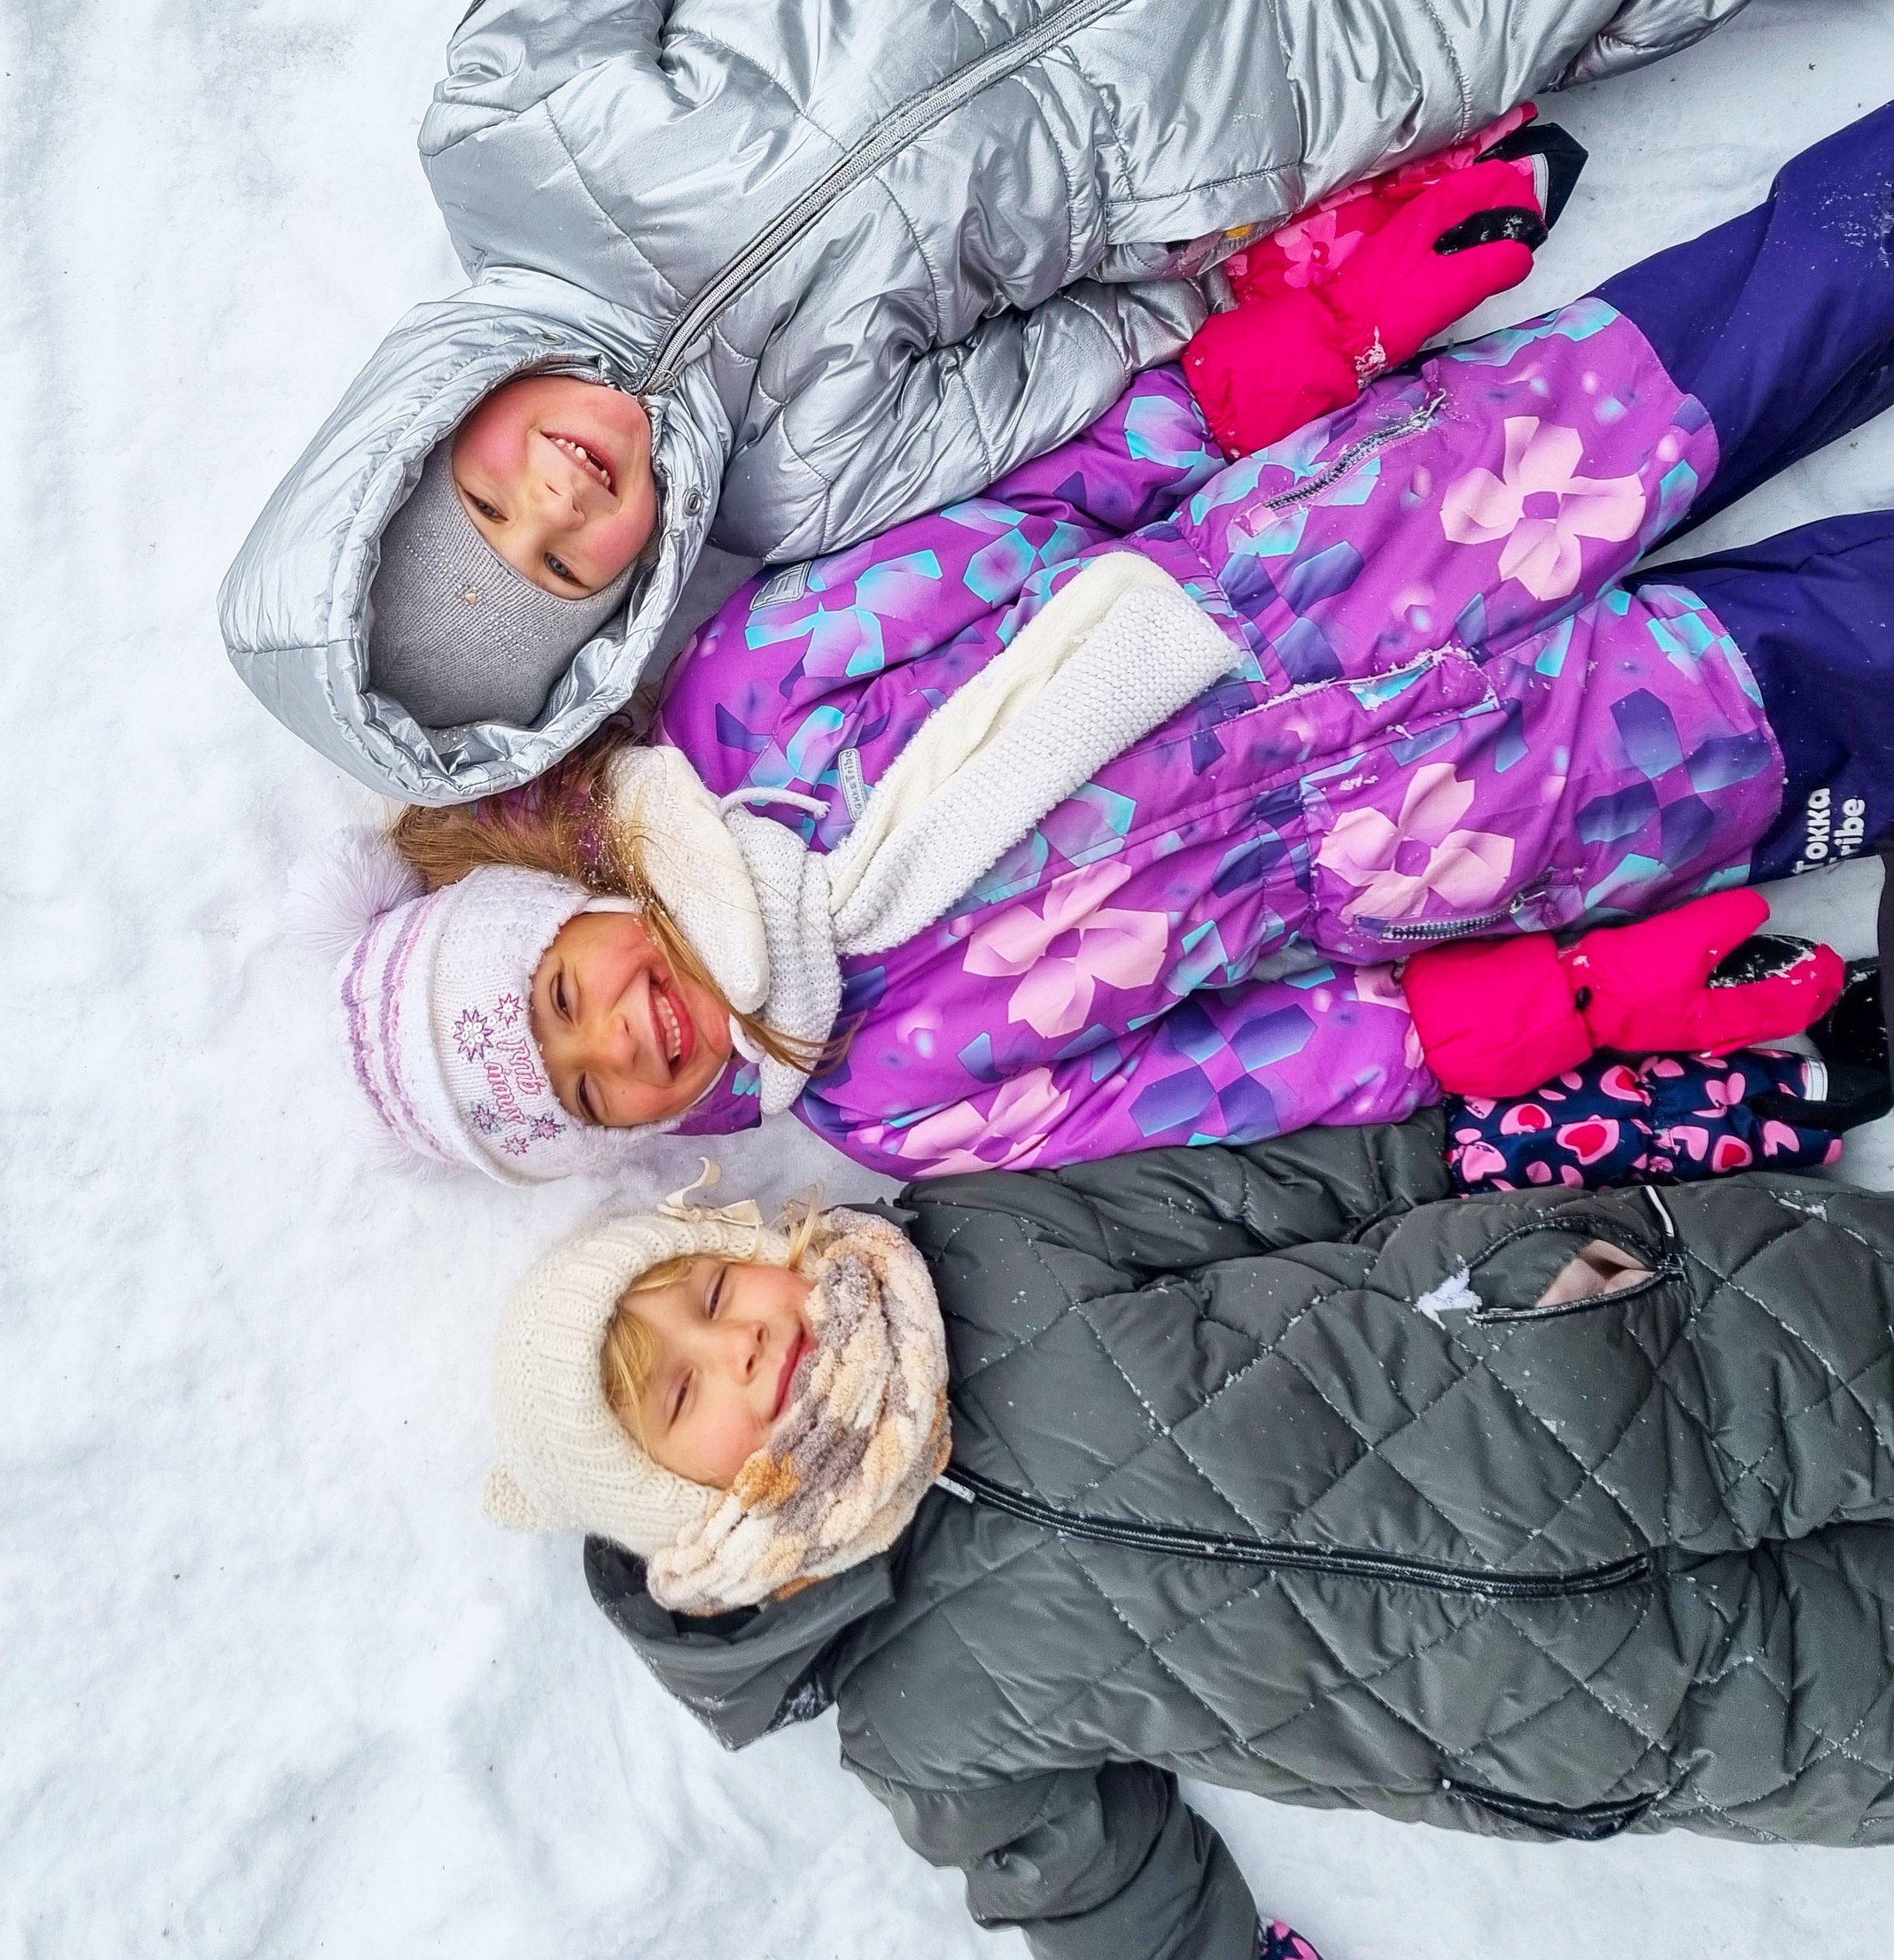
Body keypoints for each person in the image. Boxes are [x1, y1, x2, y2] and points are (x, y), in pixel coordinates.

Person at [218, 0, 1894, 806]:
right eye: (568, 562)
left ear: (426, 432)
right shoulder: (795, 480)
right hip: (1261, 92)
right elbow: (1068, 364)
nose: (566, 495)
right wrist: (1257, 252)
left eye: (493, 495)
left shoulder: (514, 135)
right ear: (621, 599)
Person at [307, 114, 1893, 1182]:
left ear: (569, 909)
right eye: (587, 1090)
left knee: (1798, 298)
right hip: (1474, 824)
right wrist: (1579, 996)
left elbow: (1047, 511)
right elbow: (1267, 1063)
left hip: (1359, 534)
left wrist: (1329, 337)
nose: (618, 1034)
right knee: (1861, 663)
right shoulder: (889, 1103)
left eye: (559, 995)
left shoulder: (748, 705)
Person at [483, 1136, 1894, 1958]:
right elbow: (1102, 1891)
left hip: (1646, 1349)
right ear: (685, 1508)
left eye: (712, 1289)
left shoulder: (979, 1251)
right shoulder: (915, 1719)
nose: (736, 1343)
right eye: (683, 1393)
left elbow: (1286, 1185)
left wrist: (1545, 1154)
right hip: (1648, 1710)